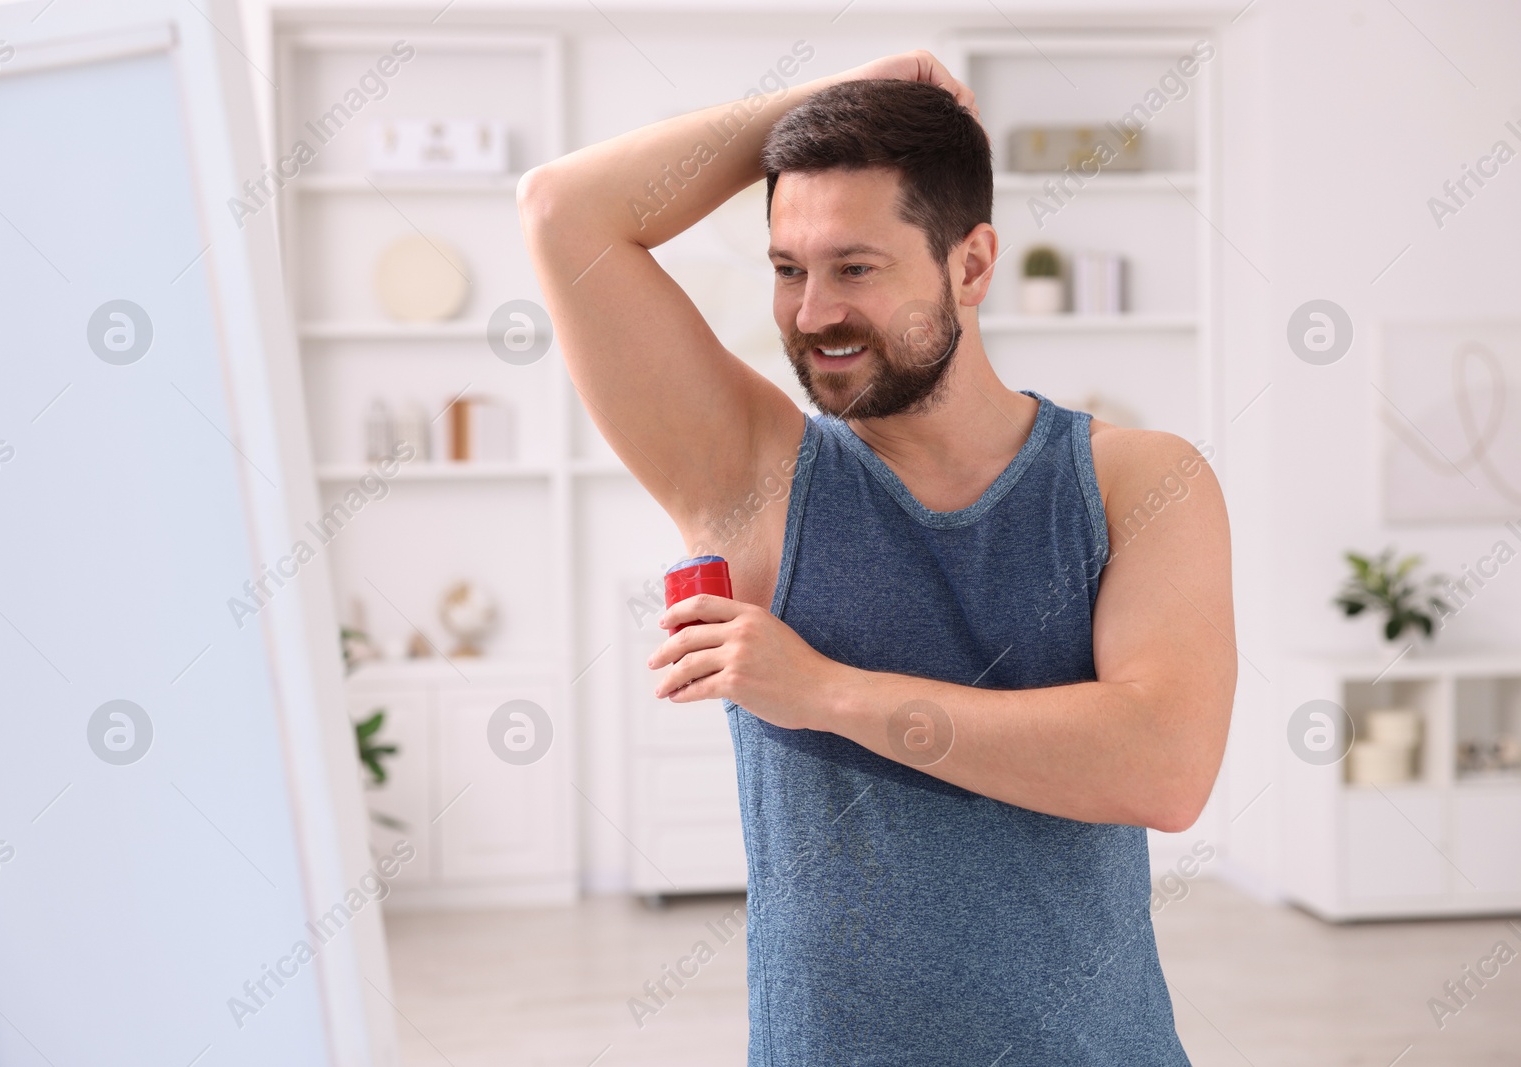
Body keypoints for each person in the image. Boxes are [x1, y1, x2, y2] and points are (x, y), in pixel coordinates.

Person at [518, 48, 1234, 1066]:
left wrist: (818, 690)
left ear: (973, 264)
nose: (812, 315)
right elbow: (560, 211)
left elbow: (1162, 767)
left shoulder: (1137, 482)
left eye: (854, 267)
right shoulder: (750, 476)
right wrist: (819, 103)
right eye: (785, 269)